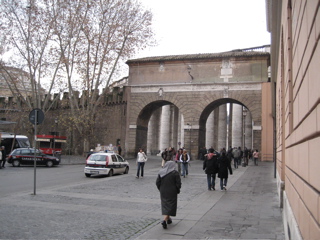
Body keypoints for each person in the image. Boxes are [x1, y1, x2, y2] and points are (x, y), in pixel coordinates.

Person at [156, 161, 181, 229]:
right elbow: (178, 183)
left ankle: (168, 219)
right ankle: (164, 220)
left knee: (165, 204)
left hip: (163, 191)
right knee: (171, 205)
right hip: (172, 191)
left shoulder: (161, 172)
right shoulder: (175, 173)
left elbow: (157, 182)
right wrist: (177, 189)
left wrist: (160, 189)